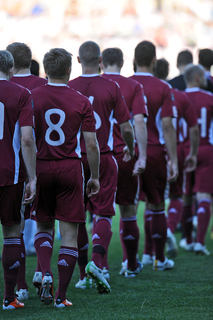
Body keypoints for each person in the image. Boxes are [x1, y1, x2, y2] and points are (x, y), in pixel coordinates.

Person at [30, 48, 100, 307]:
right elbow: (91, 145)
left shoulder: (32, 97)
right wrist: (95, 176)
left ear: (46, 70)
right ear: (70, 70)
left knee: (43, 226)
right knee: (69, 234)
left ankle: (45, 271)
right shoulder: (81, 100)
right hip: (71, 167)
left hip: (41, 166)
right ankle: (61, 296)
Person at [68, 41, 135, 292]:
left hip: (73, 159)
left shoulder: (68, 86)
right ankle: (97, 263)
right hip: (104, 156)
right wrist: (130, 146)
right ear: (99, 61)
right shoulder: (111, 86)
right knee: (103, 212)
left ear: (77, 60)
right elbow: (126, 126)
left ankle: (83, 275)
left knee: (75, 217)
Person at [130, 40, 178, 270]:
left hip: (128, 150)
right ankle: (158, 259)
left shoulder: (123, 84)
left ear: (133, 60)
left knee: (127, 208)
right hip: (155, 150)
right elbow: (167, 126)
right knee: (157, 204)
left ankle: (128, 262)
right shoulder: (163, 87)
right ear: (154, 61)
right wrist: (174, 159)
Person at [100, 47, 148, 277]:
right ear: (123, 62)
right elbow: (138, 122)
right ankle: (130, 265)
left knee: (100, 213)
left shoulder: (93, 84)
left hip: (98, 156)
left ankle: (101, 266)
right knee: (128, 211)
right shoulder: (132, 86)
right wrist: (141, 153)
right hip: (124, 154)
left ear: (102, 62)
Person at [6, 42, 48, 301]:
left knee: (15, 228)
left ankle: (19, 286)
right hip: (44, 161)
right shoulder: (45, 85)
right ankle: (44, 273)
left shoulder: (9, 88)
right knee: (46, 221)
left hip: (14, 164)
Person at [0, 50, 37, 310]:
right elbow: (26, 139)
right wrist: (32, 177)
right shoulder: (21, 93)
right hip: (10, 174)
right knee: (12, 233)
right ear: (11, 69)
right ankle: (9, 297)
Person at [154, 58, 199, 257]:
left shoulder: (144, 94)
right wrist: (193, 153)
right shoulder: (179, 96)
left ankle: (148, 253)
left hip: (151, 149)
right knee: (176, 195)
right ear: (168, 73)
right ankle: (170, 229)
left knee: (150, 202)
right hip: (177, 148)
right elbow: (193, 127)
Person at [182, 63, 213, 255]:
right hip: (206, 149)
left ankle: (187, 240)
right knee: (204, 196)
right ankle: (200, 242)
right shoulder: (210, 98)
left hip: (184, 150)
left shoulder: (177, 98)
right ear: (197, 78)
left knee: (185, 196)